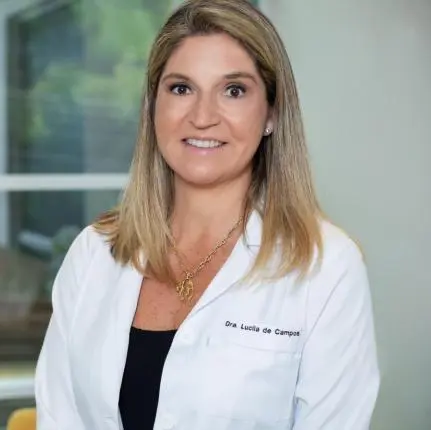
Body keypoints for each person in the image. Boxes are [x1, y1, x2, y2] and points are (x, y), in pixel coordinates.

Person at [34, 0, 380, 429]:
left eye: (233, 91)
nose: (202, 117)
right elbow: (59, 417)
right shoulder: (94, 253)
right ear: (153, 106)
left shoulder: (326, 267)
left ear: (271, 113)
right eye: (181, 88)